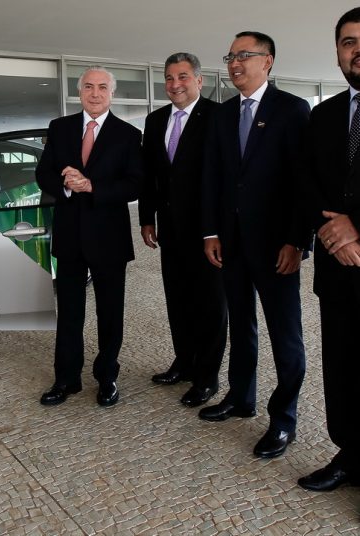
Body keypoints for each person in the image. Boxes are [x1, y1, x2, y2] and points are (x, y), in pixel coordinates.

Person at [199, 32, 312, 459]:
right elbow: (212, 176)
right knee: (241, 323)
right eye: (230, 56)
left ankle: (283, 420)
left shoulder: (293, 110)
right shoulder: (223, 114)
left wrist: (297, 241)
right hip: (230, 242)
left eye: (244, 55)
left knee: (285, 333)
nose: (234, 63)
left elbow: (303, 182)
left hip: (276, 245)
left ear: (268, 61)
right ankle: (240, 397)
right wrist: (210, 232)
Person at [36, 65, 143, 407]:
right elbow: (43, 173)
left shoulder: (128, 134)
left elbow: (135, 184)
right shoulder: (60, 128)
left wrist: (92, 186)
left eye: (102, 87)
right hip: (70, 235)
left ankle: (107, 377)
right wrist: (66, 185)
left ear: (112, 93)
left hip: (109, 238)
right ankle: (66, 379)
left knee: (109, 313)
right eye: (88, 87)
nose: (95, 93)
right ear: (79, 92)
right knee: (69, 312)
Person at [139, 53, 227, 408]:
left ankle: (207, 376)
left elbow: (224, 177)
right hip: (170, 228)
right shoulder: (155, 119)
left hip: (208, 231)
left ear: (199, 80)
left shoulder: (219, 116)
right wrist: (146, 218)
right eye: (169, 78)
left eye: (183, 76)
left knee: (210, 303)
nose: (175, 84)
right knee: (178, 299)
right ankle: (185, 362)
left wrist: (216, 229)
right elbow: (150, 174)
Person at [298, 7, 360, 492]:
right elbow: (307, 182)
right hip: (336, 267)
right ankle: (350, 454)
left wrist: (357, 228)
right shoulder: (324, 115)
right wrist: (331, 230)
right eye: (347, 42)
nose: (356, 50)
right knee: (341, 367)